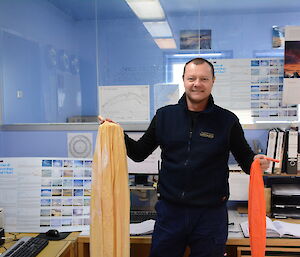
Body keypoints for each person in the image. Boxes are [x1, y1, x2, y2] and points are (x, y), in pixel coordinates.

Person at [99, 58, 270, 257]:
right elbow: (138, 153)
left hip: (210, 216)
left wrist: (258, 163)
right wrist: (116, 132)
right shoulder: (164, 116)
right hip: (170, 213)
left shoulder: (227, 120)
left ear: (213, 80)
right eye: (192, 78)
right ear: (184, 80)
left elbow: (247, 160)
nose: (197, 83)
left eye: (204, 78)